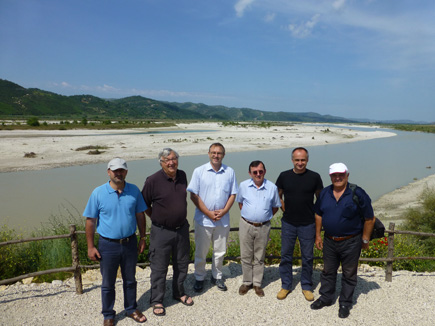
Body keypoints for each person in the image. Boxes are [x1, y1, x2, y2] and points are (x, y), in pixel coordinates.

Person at [84, 158, 147, 326]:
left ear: (126, 172)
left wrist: (142, 237)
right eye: (115, 170)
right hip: (107, 245)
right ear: (108, 172)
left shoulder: (134, 190)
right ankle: (108, 314)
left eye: (122, 170)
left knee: (130, 279)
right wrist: (90, 247)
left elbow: (140, 215)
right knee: (107, 283)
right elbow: (90, 221)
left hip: (130, 242)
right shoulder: (98, 192)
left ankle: (131, 308)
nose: (119, 173)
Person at [311, 163, 375, 318]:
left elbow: (369, 218)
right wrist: (318, 235)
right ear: (330, 176)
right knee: (328, 271)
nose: (337, 178)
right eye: (334, 175)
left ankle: (345, 302)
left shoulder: (357, 193)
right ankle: (326, 297)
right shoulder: (325, 193)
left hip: (351, 241)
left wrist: (365, 239)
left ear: (347, 175)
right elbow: (318, 214)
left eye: (341, 174)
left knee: (349, 273)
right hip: (330, 240)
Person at [141, 148, 193, 317]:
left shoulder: (183, 175)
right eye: (167, 160)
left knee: (182, 263)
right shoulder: (152, 180)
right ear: (161, 163)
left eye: (174, 158)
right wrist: (157, 218)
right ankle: (157, 300)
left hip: (181, 229)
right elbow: (144, 205)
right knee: (159, 267)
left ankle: (179, 293)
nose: (171, 162)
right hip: (161, 231)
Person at [187, 142, 238, 292]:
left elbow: (233, 194)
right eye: (213, 152)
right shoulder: (199, 171)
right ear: (209, 153)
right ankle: (199, 277)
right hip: (203, 220)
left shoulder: (230, 172)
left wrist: (224, 211)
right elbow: (193, 195)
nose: (216, 155)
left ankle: (217, 276)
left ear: (224, 155)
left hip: (223, 219)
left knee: (220, 251)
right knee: (201, 251)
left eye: (219, 153)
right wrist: (208, 213)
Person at [275, 147, 323, 301]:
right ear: (292, 160)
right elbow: (277, 194)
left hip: (308, 223)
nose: (300, 163)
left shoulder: (315, 177)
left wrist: (316, 215)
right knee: (286, 255)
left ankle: (307, 286)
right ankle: (286, 285)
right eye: (297, 160)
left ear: (307, 160)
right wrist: (281, 204)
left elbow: (320, 199)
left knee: (308, 257)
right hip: (288, 222)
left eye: (303, 160)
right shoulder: (284, 176)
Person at [236, 160, 281, 297]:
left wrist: (263, 217)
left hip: (263, 226)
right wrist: (250, 217)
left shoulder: (272, 187)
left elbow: (275, 206)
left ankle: (257, 284)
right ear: (250, 173)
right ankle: (247, 282)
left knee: (259, 256)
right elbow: (240, 203)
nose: (258, 174)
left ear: (265, 171)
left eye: (260, 171)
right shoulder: (243, 185)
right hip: (246, 225)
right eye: (255, 172)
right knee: (245, 255)